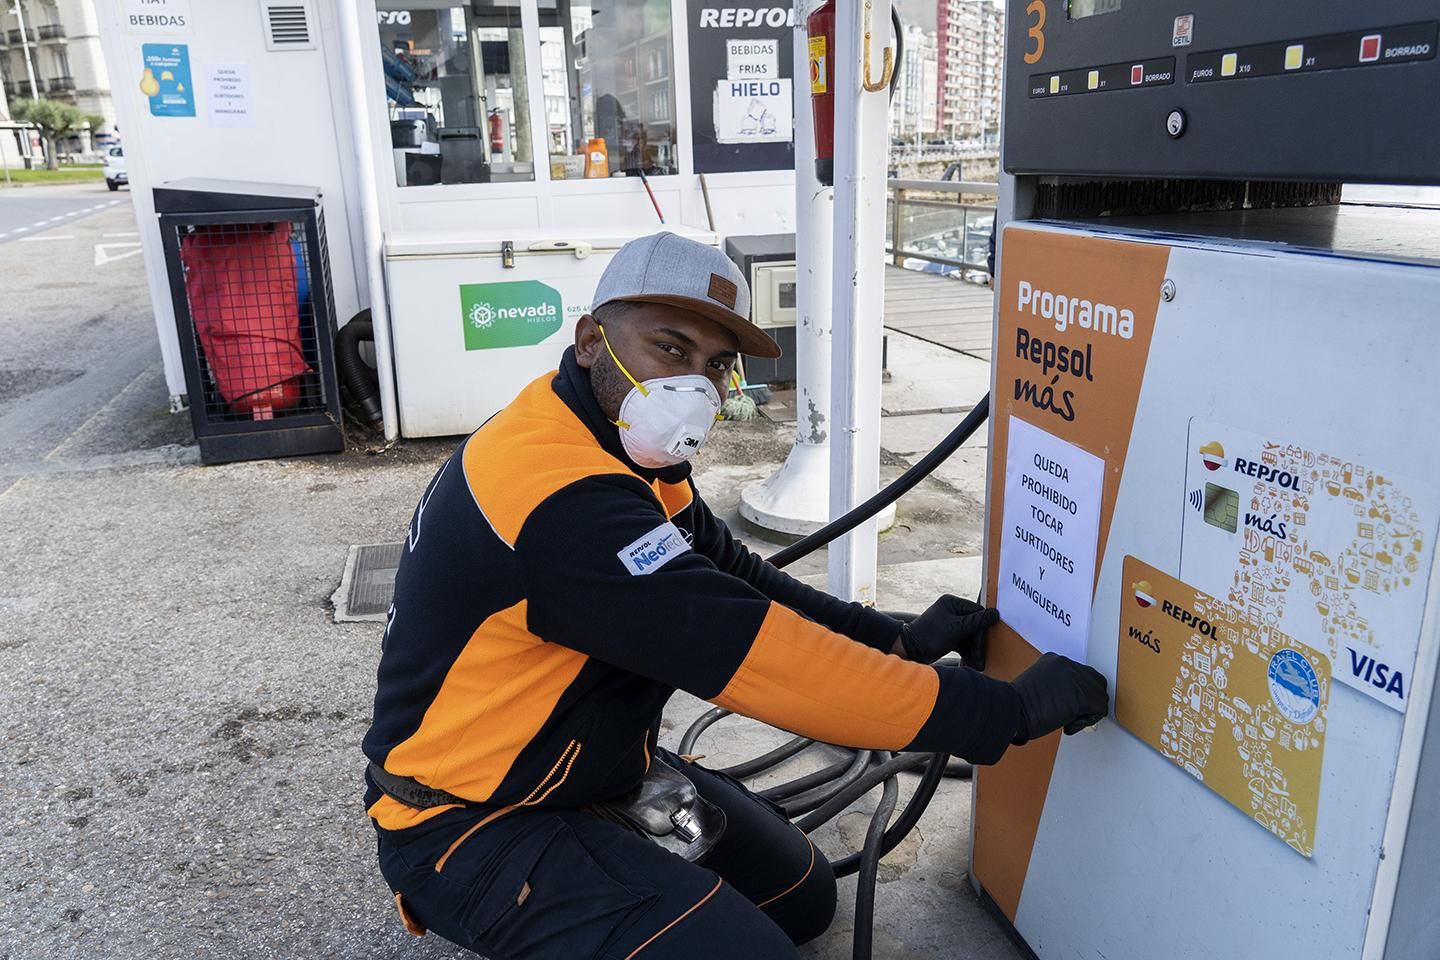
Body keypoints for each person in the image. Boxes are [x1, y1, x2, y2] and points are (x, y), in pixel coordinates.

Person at [362, 231, 1108, 959]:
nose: (695, 384)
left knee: (806, 902)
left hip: (595, 771)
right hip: (471, 821)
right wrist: (999, 712)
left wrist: (893, 640)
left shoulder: (609, 439)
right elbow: (753, 655)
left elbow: (733, 574)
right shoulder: (560, 496)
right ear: (592, 338)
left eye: (717, 365)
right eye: (671, 347)